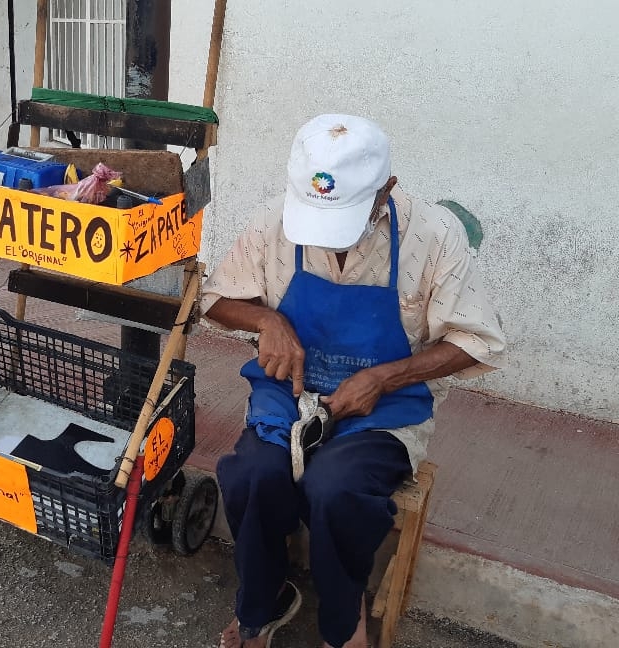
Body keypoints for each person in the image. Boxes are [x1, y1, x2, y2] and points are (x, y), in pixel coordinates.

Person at [203, 114, 506, 648]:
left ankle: (345, 621)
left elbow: (476, 341)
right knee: (251, 475)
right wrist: (267, 321)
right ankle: (261, 602)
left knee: (336, 488)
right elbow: (216, 299)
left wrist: (385, 377)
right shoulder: (274, 221)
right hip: (289, 394)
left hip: (385, 409)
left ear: (385, 190)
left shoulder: (434, 235)